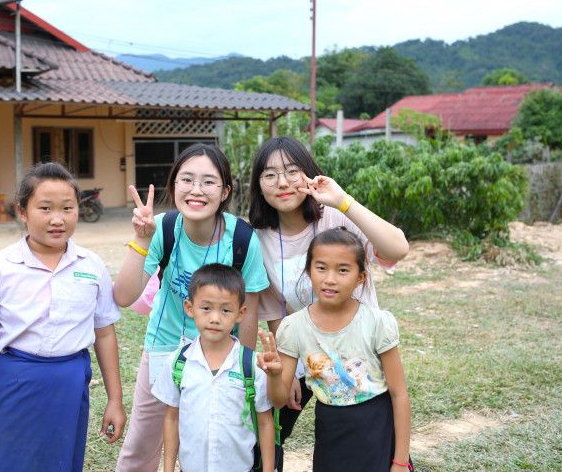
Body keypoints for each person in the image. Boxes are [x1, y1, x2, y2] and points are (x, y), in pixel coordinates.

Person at [248, 135, 409, 470]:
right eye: (270, 174)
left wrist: (343, 201)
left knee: (373, 443)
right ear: (258, 185)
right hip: (307, 354)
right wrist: (289, 368)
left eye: (292, 171)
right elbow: (276, 308)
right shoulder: (258, 238)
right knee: (266, 425)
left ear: (309, 174)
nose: (283, 182)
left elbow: (398, 249)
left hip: (361, 358)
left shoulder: (337, 217)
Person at [0, 162, 126, 471]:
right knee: (8, 462)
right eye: (45, 208)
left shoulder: (91, 266)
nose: (57, 219)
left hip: (70, 382)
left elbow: (104, 333)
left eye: (67, 208)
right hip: (14, 382)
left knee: (61, 461)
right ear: (23, 212)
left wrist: (115, 399)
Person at [113, 143, 270, 471]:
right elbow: (124, 296)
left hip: (221, 360)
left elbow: (250, 312)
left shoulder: (242, 240)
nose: (196, 190)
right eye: (187, 180)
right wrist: (142, 240)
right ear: (173, 186)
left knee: (210, 445)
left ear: (225, 191)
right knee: (141, 448)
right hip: (163, 352)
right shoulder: (162, 228)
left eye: (209, 182)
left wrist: (245, 371)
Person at [258, 227, 412, 471]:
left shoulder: (377, 322)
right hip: (331, 428)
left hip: (378, 426)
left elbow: (399, 395)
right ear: (308, 271)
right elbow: (278, 400)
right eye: (321, 268)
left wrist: (400, 461)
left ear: (361, 277)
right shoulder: (293, 327)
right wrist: (274, 375)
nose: (330, 279)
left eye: (343, 270)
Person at [151, 263, 275, 472]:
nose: (215, 318)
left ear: (240, 313)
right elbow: (172, 418)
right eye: (206, 308)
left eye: (226, 310)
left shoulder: (252, 365)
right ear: (190, 308)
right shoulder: (177, 363)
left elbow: (265, 422)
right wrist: (168, 468)